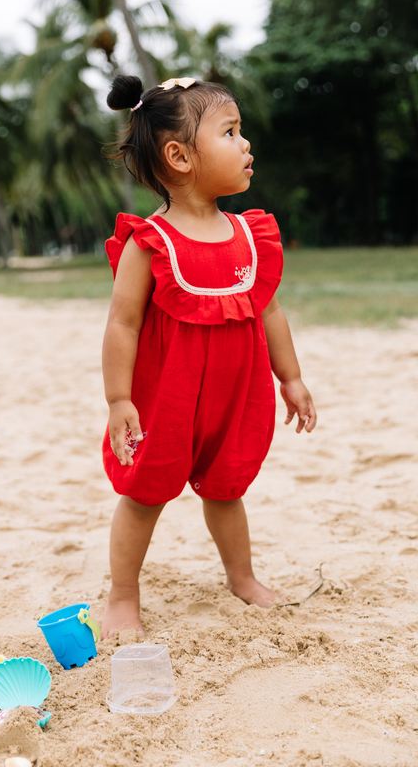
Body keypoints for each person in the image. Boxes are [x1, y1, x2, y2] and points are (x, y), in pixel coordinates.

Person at [100, 75, 317, 639]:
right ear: (180, 156)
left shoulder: (249, 235)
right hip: (168, 399)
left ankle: (240, 577)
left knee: (227, 488)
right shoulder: (151, 243)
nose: (246, 145)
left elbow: (268, 311)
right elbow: (122, 323)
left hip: (234, 394)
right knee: (145, 494)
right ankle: (123, 595)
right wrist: (119, 398)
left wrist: (289, 378)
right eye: (230, 132)